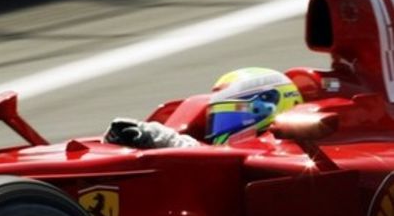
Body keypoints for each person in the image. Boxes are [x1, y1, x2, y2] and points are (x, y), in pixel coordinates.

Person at [105, 67, 304, 148]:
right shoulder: (223, 151)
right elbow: (205, 153)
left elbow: (213, 157)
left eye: (234, 116)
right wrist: (147, 137)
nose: (222, 128)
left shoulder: (291, 152)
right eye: (221, 118)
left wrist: (158, 138)